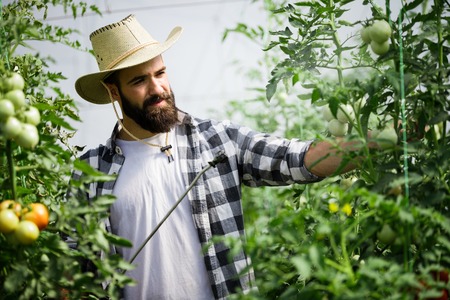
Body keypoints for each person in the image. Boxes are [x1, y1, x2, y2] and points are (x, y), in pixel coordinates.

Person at [73, 14, 369, 300]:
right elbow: (73, 264)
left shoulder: (214, 139)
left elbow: (298, 159)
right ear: (113, 91)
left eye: (160, 73)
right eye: (139, 81)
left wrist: (377, 144)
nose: (157, 88)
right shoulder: (91, 170)